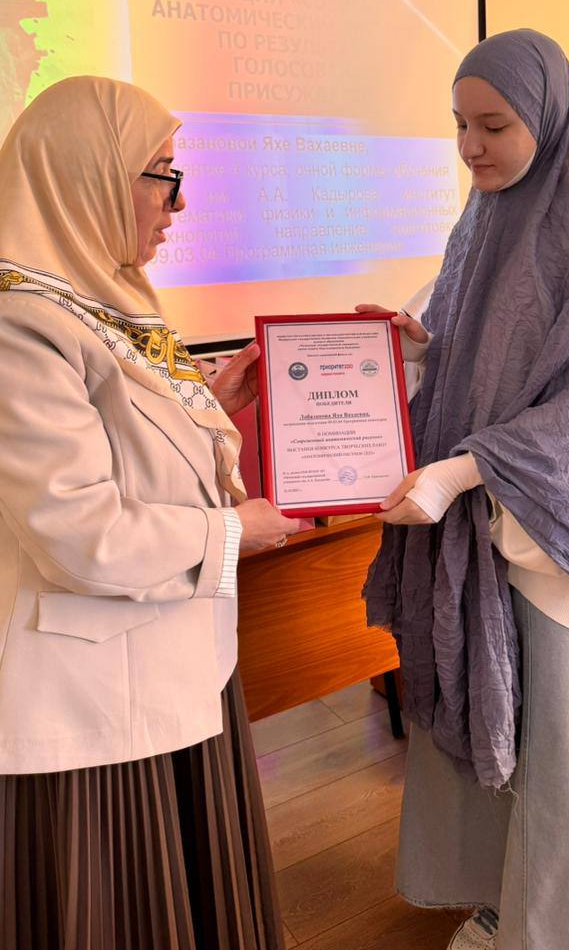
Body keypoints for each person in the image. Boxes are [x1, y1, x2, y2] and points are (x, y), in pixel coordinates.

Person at [360, 30, 569, 950]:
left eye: (493, 126)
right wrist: (420, 349)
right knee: (493, 722)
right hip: (484, 528)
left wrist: (459, 471)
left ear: (549, 116)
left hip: (557, 537)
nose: (470, 147)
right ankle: (500, 903)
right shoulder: (483, 221)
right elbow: (478, 355)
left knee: (565, 748)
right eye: (459, 124)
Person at [0, 76, 301, 950]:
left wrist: (215, 398)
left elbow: (121, 434)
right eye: (162, 174)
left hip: (165, 660)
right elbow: (83, 535)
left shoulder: (99, 298)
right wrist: (235, 530)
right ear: (87, 176)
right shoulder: (20, 327)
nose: (180, 203)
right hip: (95, 700)